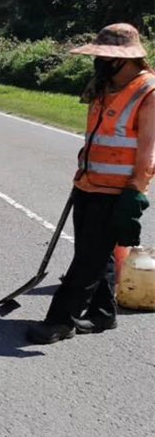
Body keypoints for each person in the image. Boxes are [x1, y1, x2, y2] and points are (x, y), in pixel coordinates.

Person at [27, 24, 155, 344]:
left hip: (117, 193)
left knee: (87, 261)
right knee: (97, 253)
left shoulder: (148, 91)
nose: (97, 61)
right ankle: (103, 313)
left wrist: (135, 193)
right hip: (88, 184)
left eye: (103, 56)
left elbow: (149, 151)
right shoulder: (104, 85)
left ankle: (60, 320)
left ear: (123, 59)